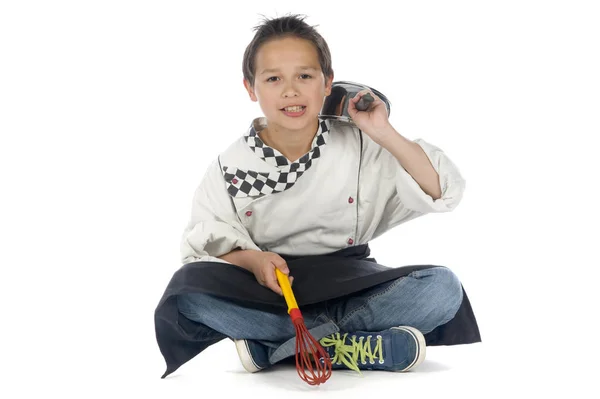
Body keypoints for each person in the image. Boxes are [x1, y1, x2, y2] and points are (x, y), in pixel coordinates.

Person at [158, 14, 479, 378]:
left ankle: (285, 347)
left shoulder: (359, 141)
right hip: (275, 293)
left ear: (327, 84)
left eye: (305, 76)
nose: (290, 91)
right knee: (186, 293)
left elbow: (441, 190)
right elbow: (204, 242)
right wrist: (254, 261)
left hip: (353, 282)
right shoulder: (229, 165)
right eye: (274, 78)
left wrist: (382, 130)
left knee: (441, 287)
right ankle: (355, 345)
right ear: (251, 88)